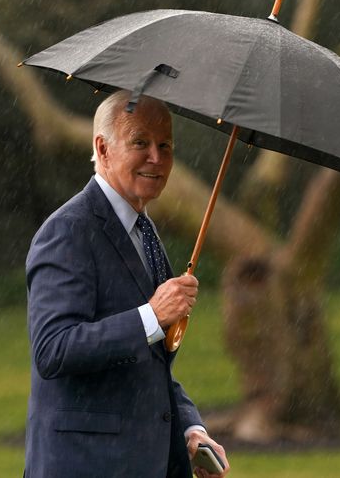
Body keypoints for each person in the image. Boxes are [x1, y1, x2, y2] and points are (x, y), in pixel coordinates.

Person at [24, 90, 230, 478]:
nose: (156, 157)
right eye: (140, 142)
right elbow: (53, 350)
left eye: (165, 144)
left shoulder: (144, 230)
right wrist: (150, 316)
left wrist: (189, 428)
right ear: (102, 148)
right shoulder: (68, 231)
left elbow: (150, 365)